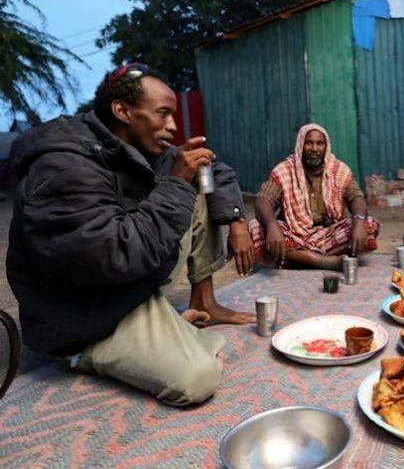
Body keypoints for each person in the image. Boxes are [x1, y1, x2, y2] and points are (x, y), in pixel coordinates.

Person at [7, 63, 255, 406]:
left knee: (198, 180)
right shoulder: (64, 166)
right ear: (123, 111)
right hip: (83, 317)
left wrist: (237, 220)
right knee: (196, 379)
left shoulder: (140, 147)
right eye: (163, 114)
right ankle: (81, 356)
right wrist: (175, 184)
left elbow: (214, 169)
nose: (173, 126)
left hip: (126, 285)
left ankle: (202, 303)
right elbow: (114, 255)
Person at [249, 123, 379, 270]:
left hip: (329, 236)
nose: (314, 149)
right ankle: (325, 262)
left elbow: (356, 197)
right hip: (295, 236)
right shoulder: (285, 170)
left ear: (326, 146)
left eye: (319, 144)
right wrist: (272, 225)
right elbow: (263, 199)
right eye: (309, 143)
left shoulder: (338, 170)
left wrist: (359, 222)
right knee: (257, 226)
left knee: (368, 224)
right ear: (300, 145)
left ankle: (300, 260)